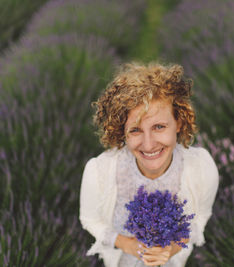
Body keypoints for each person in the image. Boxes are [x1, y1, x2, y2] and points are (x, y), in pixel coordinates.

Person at [79, 62, 219, 267]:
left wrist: (172, 248)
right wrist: (125, 244)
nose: (149, 144)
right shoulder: (100, 171)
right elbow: (89, 220)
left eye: (159, 127)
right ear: (122, 132)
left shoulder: (200, 168)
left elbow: (199, 219)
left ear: (178, 123)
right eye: (135, 130)